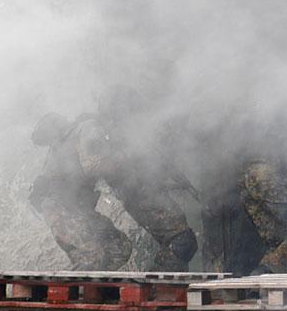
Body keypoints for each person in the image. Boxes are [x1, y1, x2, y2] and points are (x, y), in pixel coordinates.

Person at [97, 85, 199, 271]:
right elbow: (113, 167)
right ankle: (153, 283)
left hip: (146, 192)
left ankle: (164, 284)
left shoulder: (128, 131)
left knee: (180, 244)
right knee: (183, 241)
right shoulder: (116, 134)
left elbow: (154, 161)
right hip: (140, 194)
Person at [29, 112, 132, 270]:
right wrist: (125, 156)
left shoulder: (62, 144)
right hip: (62, 210)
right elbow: (93, 166)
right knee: (90, 258)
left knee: (119, 248)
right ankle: (80, 292)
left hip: (77, 209)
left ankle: (99, 290)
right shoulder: (84, 130)